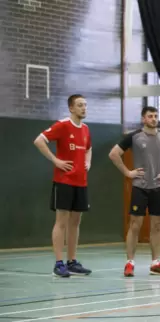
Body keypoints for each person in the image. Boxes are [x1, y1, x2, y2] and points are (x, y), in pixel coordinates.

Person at [108, 106, 160, 277]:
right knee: (135, 225)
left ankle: (156, 263)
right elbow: (114, 154)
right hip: (140, 187)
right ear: (143, 119)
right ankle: (129, 263)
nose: (154, 119)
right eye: (150, 116)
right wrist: (128, 172)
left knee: (157, 225)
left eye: (156, 116)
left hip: (158, 187)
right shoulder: (134, 137)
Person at [33, 94, 92, 278]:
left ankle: (72, 261)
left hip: (81, 181)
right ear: (71, 108)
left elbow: (88, 148)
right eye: (80, 105)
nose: (84, 108)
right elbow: (39, 140)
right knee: (62, 222)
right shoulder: (63, 125)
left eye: (85, 105)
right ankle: (58, 264)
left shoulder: (86, 129)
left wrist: (88, 162)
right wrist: (55, 160)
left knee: (76, 222)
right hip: (64, 181)